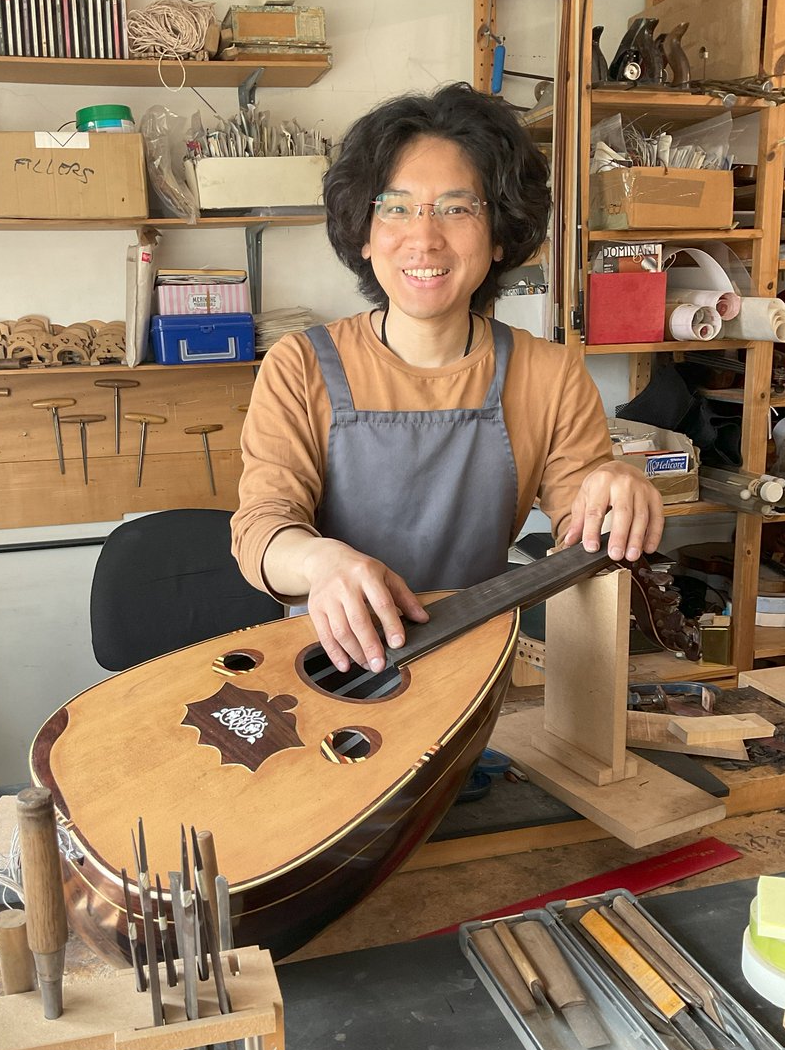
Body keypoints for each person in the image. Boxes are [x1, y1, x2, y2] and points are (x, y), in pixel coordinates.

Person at [231, 82, 663, 676]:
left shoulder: (550, 372)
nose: (424, 237)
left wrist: (615, 496)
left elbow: (582, 526)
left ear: (500, 235)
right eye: (396, 207)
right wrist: (320, 564)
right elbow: (261, 528)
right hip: (326, 666)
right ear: (364, 231)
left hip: (474, 668)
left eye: (457, 209)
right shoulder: (298, 365)